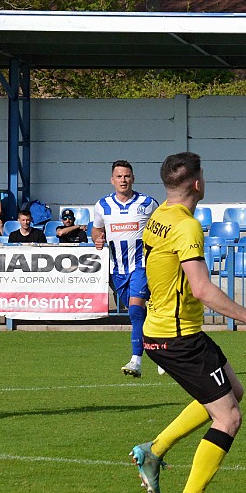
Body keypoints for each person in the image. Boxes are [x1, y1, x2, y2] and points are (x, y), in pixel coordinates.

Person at [130, 151, 246, 493]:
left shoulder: (159, 216)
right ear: (198, 183)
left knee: (233, 391)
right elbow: (202, 289)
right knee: (228, 418)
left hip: (167, 331)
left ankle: (155, 450)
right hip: (178, 338)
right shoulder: (185, 226)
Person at [92, 160, 160, 377]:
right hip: (117, 270)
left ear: (133, 178)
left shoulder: (148, 203)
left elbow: (162, 228)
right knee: (140, 316)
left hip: (141, 266)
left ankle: (136, 361)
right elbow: (96, 231)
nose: (123, 180)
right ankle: (164, 353)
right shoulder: (102, 206)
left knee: (135, 311)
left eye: (127, 176)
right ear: (112, 180)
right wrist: (97, 239)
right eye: (119, 176)